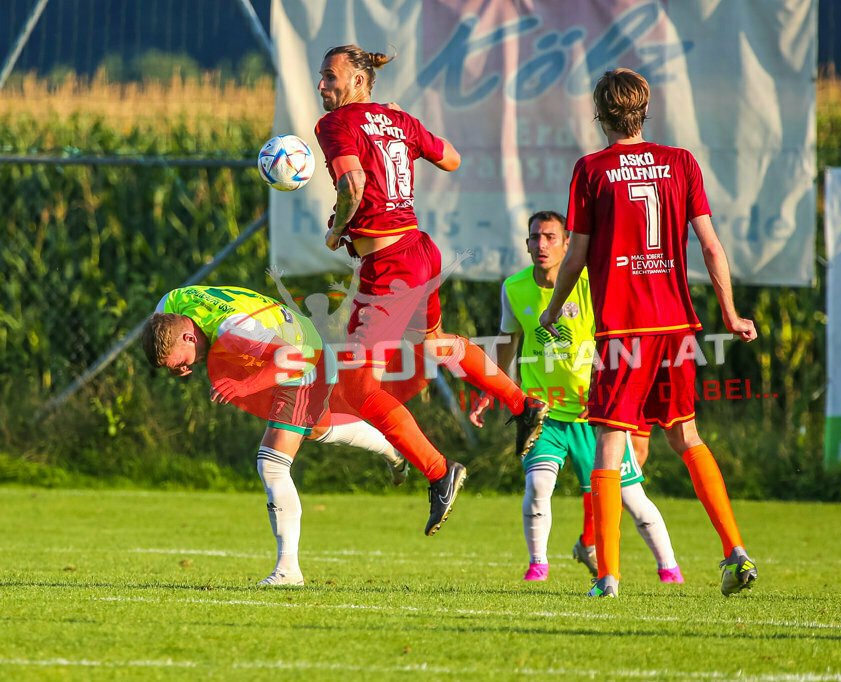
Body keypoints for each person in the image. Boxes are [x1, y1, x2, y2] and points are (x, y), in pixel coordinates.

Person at [539, 69, 759, 598]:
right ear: (644, 110)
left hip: (626, 328)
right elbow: (709, 245)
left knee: (610, 446)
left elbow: (576, 254)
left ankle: (609, 577)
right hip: (676, 326)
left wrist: (552, 311)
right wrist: (728, 312)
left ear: (599, 113)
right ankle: (735, 551)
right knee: (687, 436)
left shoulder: (591, 169)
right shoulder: (680, 162)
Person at [313, 44, 548, 536]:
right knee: (436, 345)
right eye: (321, 77)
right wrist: (403, 124)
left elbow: (353, 183)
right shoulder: (397, 120)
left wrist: (337, 232)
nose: (322, 87)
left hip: (391, 267)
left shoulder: (335, 125)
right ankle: (522, 403)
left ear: (358, 81)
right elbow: (453, 159)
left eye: (331, 78)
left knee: (356, 388)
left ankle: (440, 472)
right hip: (422, 251)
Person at [141, 284, 409, 586]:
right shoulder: (170, 304)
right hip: (289, 347)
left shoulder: (235, 330)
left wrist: (243, 387)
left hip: (306, 359)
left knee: (272, 463)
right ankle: (391, 448)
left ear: (189, 337)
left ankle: (288, 571)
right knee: (317, 428)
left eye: (179, 363)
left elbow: (292, 359)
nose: (182, 370)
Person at [470, 210, 684, 584]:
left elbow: (619, 339)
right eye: (535, 237)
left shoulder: (590, 283)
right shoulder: (514, 288)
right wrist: (492, 389)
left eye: (551, 237)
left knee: (632, 500)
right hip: (543, 414)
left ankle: (669, 569)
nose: (542, 245)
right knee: (538, 486)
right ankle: (538, 566)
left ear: (567, 244)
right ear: (526, 244)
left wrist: (619, 391)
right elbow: (507, 342)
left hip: (594, 415)